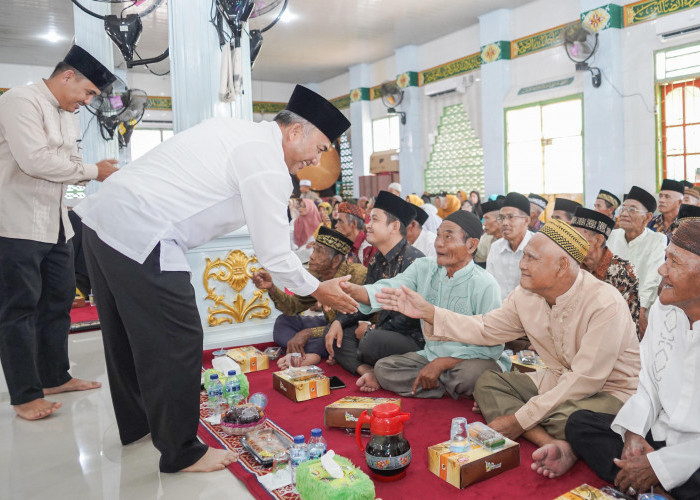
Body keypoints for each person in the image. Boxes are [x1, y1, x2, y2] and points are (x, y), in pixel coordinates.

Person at [74, 85, 357, 473]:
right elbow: (275, 253)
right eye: (321, 148)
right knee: (178, 338)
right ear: (294, 133)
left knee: (126, 334)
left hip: (104, 221)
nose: (317, 160)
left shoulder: (239, 132)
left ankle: (138, 424)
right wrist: (317, 288)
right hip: (144, 231)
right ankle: (182, 452)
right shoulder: (266, 162)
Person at [376, 220, 640, 471]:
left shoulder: (604, 302)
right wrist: (431, 313)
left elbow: (585, 381)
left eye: (531, 258)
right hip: (556, 380)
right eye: (523, 256)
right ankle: (553, 444)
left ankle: (548, 431)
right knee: (488, 384)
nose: (521, 265)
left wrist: (517, 420)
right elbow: (486, 328)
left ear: (561, 266)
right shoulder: (525, 295)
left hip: (608, 391)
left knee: (571, 421)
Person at [0, 45, 119, 421]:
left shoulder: (66, 113)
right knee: (18, 310)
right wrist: (93, 171)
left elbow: (65, 166)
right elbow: (34, 161)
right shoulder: (21, 100)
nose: (86, 102)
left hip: (55, 224)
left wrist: (92, 174)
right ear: (67, 75)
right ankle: (25, 395)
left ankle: (53, 377)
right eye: (86, 93)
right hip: (15, 223)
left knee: (58, 302)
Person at [564, 219, 700, 499]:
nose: (662, 269)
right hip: (659, 435)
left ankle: (644, 482)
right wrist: (634, 434)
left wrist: (662, 466)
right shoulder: (665, 308)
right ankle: (651, 484)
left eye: (674, 262)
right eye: (665, 258)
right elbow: (647, 381)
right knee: (579, 423)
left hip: (694, 456)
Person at [354, 211, 505, 396]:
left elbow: (493, 345)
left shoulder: (485, 285)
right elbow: (392, 287)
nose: (439, 243)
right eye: (438, 235)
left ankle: (435, 382)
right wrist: (354, 291)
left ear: (471, 244)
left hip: (472, 359)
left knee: (469, 375)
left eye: (448, 236)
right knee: (384, 368)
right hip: (431, 354)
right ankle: (446, 386)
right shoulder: (424, 267)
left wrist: (443, 363)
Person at [324, 191, 424, 379]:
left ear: (394, 226)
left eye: (374, 220)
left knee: (371, 341)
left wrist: (373, 330)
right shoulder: (377, 259)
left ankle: (359, 360)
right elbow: (365, 302)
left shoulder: (415, 260)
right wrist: (339, 321)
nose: (367, 225)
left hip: (411, 339)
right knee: (335, 332)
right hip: (382, 331)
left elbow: (410, 318)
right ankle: (365, 369)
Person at [253, 226, 366, 369]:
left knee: (336, 338)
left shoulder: (356, 274)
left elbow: (346, 322)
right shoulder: (317, 275)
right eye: (314, 249)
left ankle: (310, 352)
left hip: (348, 329)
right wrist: (271, 287)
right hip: (326, 324)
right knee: (283, 322)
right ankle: (311, 352)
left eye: (319, 251)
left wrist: (307, 333)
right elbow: (293, 306)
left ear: (336, 259)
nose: (312, 256)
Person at [571, 208, 641, 337]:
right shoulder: (573, 265)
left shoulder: (623, 271)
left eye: (576, 238)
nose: (570, 243)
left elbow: (621, 324)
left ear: (598, 240)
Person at [608, 186, 667, 335]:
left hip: (643, 309)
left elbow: (652, 279)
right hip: (610, 307)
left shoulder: (657, 240)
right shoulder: (613, 236)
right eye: (623, 208)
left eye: (632, 209)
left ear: (647, 217)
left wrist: (640, 311)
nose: (625, 213)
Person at [486, 192, 533, 301]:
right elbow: (490, 285)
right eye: (501, 218)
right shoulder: (495, 247)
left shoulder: (537, 247)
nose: (504, 223)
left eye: (511, 217)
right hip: (499, 311)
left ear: (526, 220)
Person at [335, 201, 376, 265]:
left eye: (340, 221)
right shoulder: (343, 245)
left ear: (354, 224)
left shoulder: (369, 246)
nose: (336, 225)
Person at [292, 198, 322, 263]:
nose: (300, 208)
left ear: (310, 207)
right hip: (295, 257)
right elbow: (291, 240)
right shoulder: (295, 222)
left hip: (312, 260)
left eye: (303, 206)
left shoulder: (319, 225)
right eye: (300, 206)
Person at [474, 199, 503, 267]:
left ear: (500, 220)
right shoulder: (487, 237)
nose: (484, 224)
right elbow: (477, 252)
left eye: (487, 218)